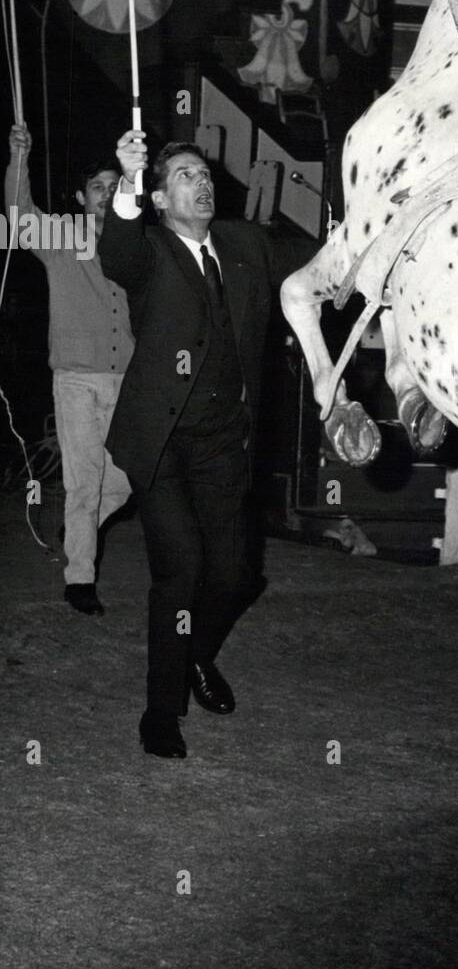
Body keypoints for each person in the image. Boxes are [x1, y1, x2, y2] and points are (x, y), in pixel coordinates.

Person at [101, 130, 311, 759]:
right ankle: (161, 712)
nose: (203, 182)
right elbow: (117, 253)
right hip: (161, 443)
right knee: (181, 566)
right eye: (186, 175)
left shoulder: (244, 244)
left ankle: (196, 655)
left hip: (224, 441)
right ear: (162, 199)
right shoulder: (148, 249)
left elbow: (320, 258)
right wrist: (129, 181)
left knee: (236, 573)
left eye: (205, 173)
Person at [4, 124, 132, 614]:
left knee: (125, 480)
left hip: (129, 380)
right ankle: (80, 578)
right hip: (77, 378)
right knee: (84, 479)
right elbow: (19, 216)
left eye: (113, 185)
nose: (105, 193)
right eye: (97, 187)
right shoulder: (63, 238)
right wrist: (21, 159)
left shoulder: (136, 243)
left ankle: (81, 526)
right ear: (81, 197)